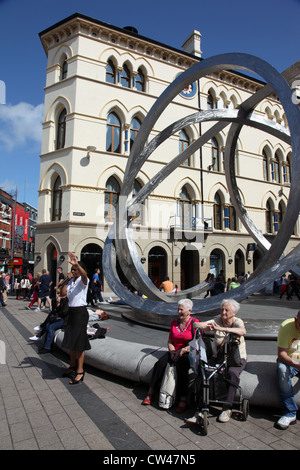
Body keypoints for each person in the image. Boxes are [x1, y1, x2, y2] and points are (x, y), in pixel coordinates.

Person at [187, 299, 247, 423]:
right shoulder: (217, 321)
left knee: (232, 373)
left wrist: (224, 329)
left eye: (226, 310)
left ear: (234, 313)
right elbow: (196, 325)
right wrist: (206, 326)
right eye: (221, 310)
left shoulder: (237, 321)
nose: (223, 312)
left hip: (236, 358)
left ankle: (227, 407)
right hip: (219, 356)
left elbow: (242, 331)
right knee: (205, 372)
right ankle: (201, 408)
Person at [142, 299, 199, 413]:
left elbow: (197, 342)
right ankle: (151, 392)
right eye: (178, 309)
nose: (179, 312)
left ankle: (182, 398)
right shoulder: (174, 322)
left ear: (189, 311)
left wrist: (183, 350)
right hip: (174, 351)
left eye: (181, 309)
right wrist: (172, 352)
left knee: (182, 367)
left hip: (187, 352)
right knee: (160, 364)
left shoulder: (194, 322)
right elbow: (170, 341)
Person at [60, 252, 91, 384]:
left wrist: (77, 265)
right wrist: (65, 282)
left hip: (80, 313)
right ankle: (72, 366)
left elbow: (84, 275)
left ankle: (80, 370)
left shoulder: (83, 281)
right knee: (71, 341)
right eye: (72, 270)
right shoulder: (71, 282)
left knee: (79, 343)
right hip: (71, 312)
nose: (73, 271)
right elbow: (62, 295)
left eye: (75, 270)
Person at [276, 310, 300, 429]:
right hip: (289, 361)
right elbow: (282, 354)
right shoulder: (286, 326)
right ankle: (290, 412)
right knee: (282, 370)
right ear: (296, 320)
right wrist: (296, 365)